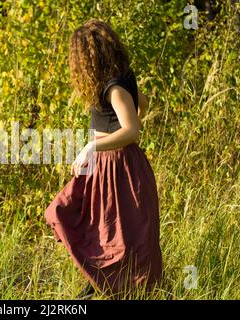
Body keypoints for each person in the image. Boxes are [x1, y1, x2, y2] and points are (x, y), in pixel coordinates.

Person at [44, 19, 162, 299]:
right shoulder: (118, 81)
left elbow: (132, 130)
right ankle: (97, 285)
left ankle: (110, 289)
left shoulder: (114, 87)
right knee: (79, 220)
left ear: (89, 58)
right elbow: (142, 103)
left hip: (118, 167)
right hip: (107, 166)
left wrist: (92, 147)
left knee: (121, 236)